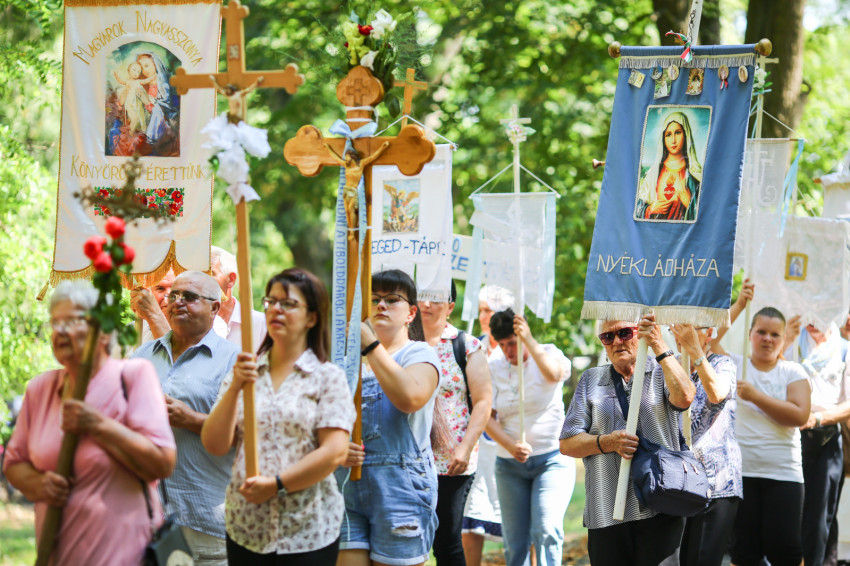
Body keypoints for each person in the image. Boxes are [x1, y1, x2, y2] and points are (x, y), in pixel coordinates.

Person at [4, 280, 176, 565]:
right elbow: (14, 464)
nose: (59, 331)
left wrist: (98, 425)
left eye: (71, 321)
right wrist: (40, 483)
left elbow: (162, 462)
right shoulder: (40, 389)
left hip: (125, 555)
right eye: (55, 323)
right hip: (58, 556)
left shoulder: (133, 377)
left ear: (103, 332)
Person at [202, 268, 355, 564]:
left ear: (311, 318)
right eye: (270, 301)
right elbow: (215, 444)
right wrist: (235, 387)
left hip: (307, 531)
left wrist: (277, 484)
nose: (276, 309)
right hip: (246, 527)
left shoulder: (327, 377)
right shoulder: (246, 371)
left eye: (288, 303)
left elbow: (334, 452)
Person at [560, 314, 695, 565]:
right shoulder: (591, 380)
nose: (616, 341)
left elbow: (685, 397)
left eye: (624, 333)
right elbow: (567, 443)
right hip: (606, 509)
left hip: (660, 504)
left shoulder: (663, 369)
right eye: (607, 336)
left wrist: (658, 344)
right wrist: (605, 442)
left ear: (639, 333)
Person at [133, 270, 240, 565]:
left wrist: (190, 419)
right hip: (150, 521)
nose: (178, 302)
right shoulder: (141, 357)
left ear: (214, 307)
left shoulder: (235, 361)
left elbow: (247, 436)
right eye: (174, 296)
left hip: (206, 521)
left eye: (190, 297)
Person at [337, 269, 441, 566]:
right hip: (346, 484)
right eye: (374, 299)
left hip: (401, 487)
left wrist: (370, 346)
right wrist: (336, 447)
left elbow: (410, 398)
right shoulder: (345, 362)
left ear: (411, 313)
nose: (381, 305)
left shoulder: (419, 354)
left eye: (392, 299)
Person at [712, 305, 811, 566]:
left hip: (783, 473)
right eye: (761, 332)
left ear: (784, 338)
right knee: (744, 552)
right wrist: (740, 304)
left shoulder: (793, 372)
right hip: (740, 474)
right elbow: (708, 341)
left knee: (786, 550)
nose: (768, 339)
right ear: (750, 334)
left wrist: (755, 396)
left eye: (775, 334)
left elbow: (799, 416)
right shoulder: (733, 365)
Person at [487, 308, 574, 566]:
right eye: (502, 344)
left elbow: (555, 375)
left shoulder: (548, 353)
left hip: (552, 459)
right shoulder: (493, 366)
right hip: (510, 465)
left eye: (512, 343)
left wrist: (529, 341)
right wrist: (510, 445)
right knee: (515, 543)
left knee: (546, 529)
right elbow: (486, 417)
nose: (507, 350)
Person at [420, 281, 493, 566]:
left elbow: (483, 402)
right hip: (407, 459)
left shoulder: (466, 345)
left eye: (435, 298)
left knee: (446, 542)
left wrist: (465, 448)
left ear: (450, 306)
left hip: (451, 461)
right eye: (422, 296)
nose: (427, 304)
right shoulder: (401, 342)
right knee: (406, 540)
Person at [669, 325, 741, 566]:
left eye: (690, 328)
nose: (680, 332)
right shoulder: (669, 364)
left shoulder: (723, 363)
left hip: (716, 482)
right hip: (675, 481)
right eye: (676, 327)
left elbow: (717, 393)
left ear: (709, 333)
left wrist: (695, 351)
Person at [783, 317, 850, 566]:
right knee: (787, 511)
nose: (812, 318)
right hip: (789, 435)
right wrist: (785, 341)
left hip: (826, 437)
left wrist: (817, 418)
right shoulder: (790, 339)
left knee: (820, 518)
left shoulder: (844, 348)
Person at [462, 285, 515, 566]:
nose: (485, 316)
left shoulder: (517, 349)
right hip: (478, 443)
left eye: (491, 310)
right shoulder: (470, 347)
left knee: (518, 515)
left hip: (510, 438)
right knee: (472, 514)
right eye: (482, 310)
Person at [635, 111, 703, 222]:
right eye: (668, 135)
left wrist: (689, 202)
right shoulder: (653, 174)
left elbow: (709, 215)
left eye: (678, 133)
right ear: (663, 139)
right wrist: (650, 209)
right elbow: (637, 210)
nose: (673, 140)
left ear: (686, 135)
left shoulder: (695, 173)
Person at [210, 246, 267, 353]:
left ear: (231, 280)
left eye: (211, 274)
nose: (203, 280)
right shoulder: (194, 326)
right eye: (200, 274)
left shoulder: (260, 324)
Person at [136, 52, 178, 145]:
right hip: (150, 115)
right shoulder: (144, 83)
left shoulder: (163, 81)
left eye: (146, 66)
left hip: (166, 115)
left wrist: (148, 103)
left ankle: (153, 138)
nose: (144, 70)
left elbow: (167, 103)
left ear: (155, 64)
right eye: (141, 68)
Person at [131, 268, 176, 343]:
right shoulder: (132, 331)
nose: (168, 298)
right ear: (149, 292)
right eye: (160, 288)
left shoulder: (195, 332)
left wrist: (153, 314)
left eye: (175, 288)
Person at [113, 61, 154, 133]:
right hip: (130, 103)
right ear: (129, 71)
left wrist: (151, 78)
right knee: (134, 118)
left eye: (138, 72)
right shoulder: (127, 81)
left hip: (138, 103)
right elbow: (120, 81)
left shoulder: (138, 81)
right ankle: (131, 132)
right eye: (134, 70)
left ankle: (143, 130)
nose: (136, 73)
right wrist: (116, 76)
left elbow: (145, 81)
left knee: (140, 116)